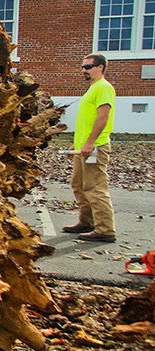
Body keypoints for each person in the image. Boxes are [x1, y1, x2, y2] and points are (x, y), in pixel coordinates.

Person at [62, 53, 116, 243]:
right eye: (82, 67)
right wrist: (77, 144)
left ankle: (105, 229)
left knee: (95, 187)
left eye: (88, 67)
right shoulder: (92, 89)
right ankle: (87, 221)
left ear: (100, 67)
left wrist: (90, 142)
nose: (83, 70)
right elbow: (87, 120)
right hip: (83, 147)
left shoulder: (103, 88)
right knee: (78, 184)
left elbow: (103, 117)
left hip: (95, 147)